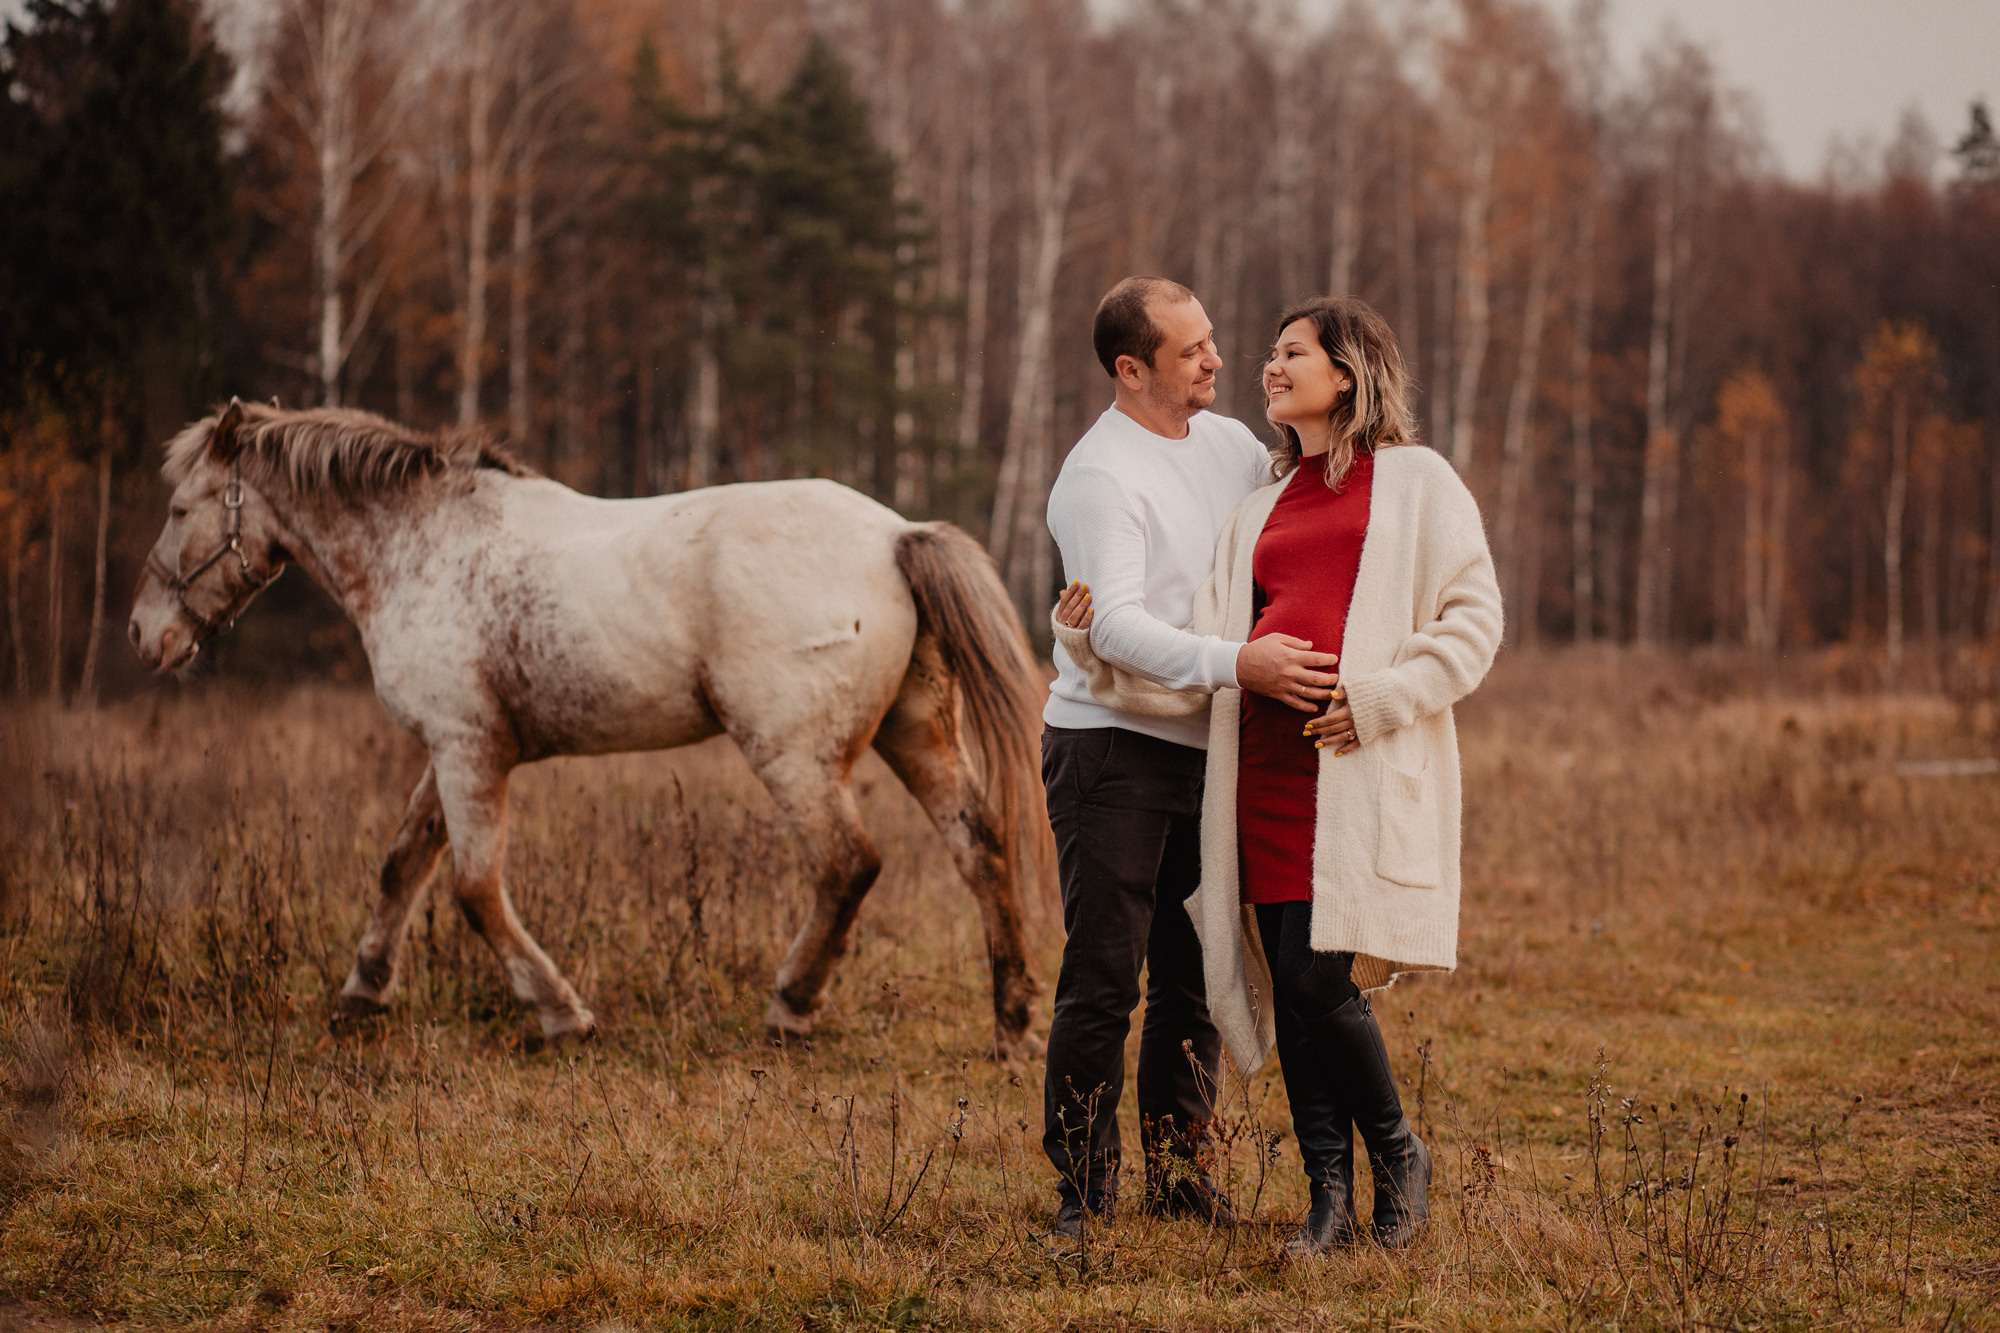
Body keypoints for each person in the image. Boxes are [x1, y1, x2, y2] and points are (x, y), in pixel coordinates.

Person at [1053, 294, 1502, 1253]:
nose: (1253, 363)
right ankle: (1327, 1196)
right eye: (1251, 349)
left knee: (1308, 973)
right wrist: (1083, 643)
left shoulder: (1415, 481)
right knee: (1276, 981)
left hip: (1344, 765)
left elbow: (1473, 621)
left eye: (1285, 351)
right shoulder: (1255, 494)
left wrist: (1379, 697)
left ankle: (1398, 1153)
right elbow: (1213, 642)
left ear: (1348, 371)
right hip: (1253, 763)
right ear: (1134, 368)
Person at [1040, 277, 1345, 1239]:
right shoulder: (1100, 477)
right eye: (1191, 350)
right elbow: (1120, 625)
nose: (1219, 359)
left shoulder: (1228, 448)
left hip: (1209, 748)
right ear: (1132, 371)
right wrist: (1238, 663)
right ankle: (1082, 1194)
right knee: (1103, 978)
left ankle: (1179, 1175)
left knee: (1193, 976)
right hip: (1111, 753)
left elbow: (1294, 529)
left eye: (1214, 338)